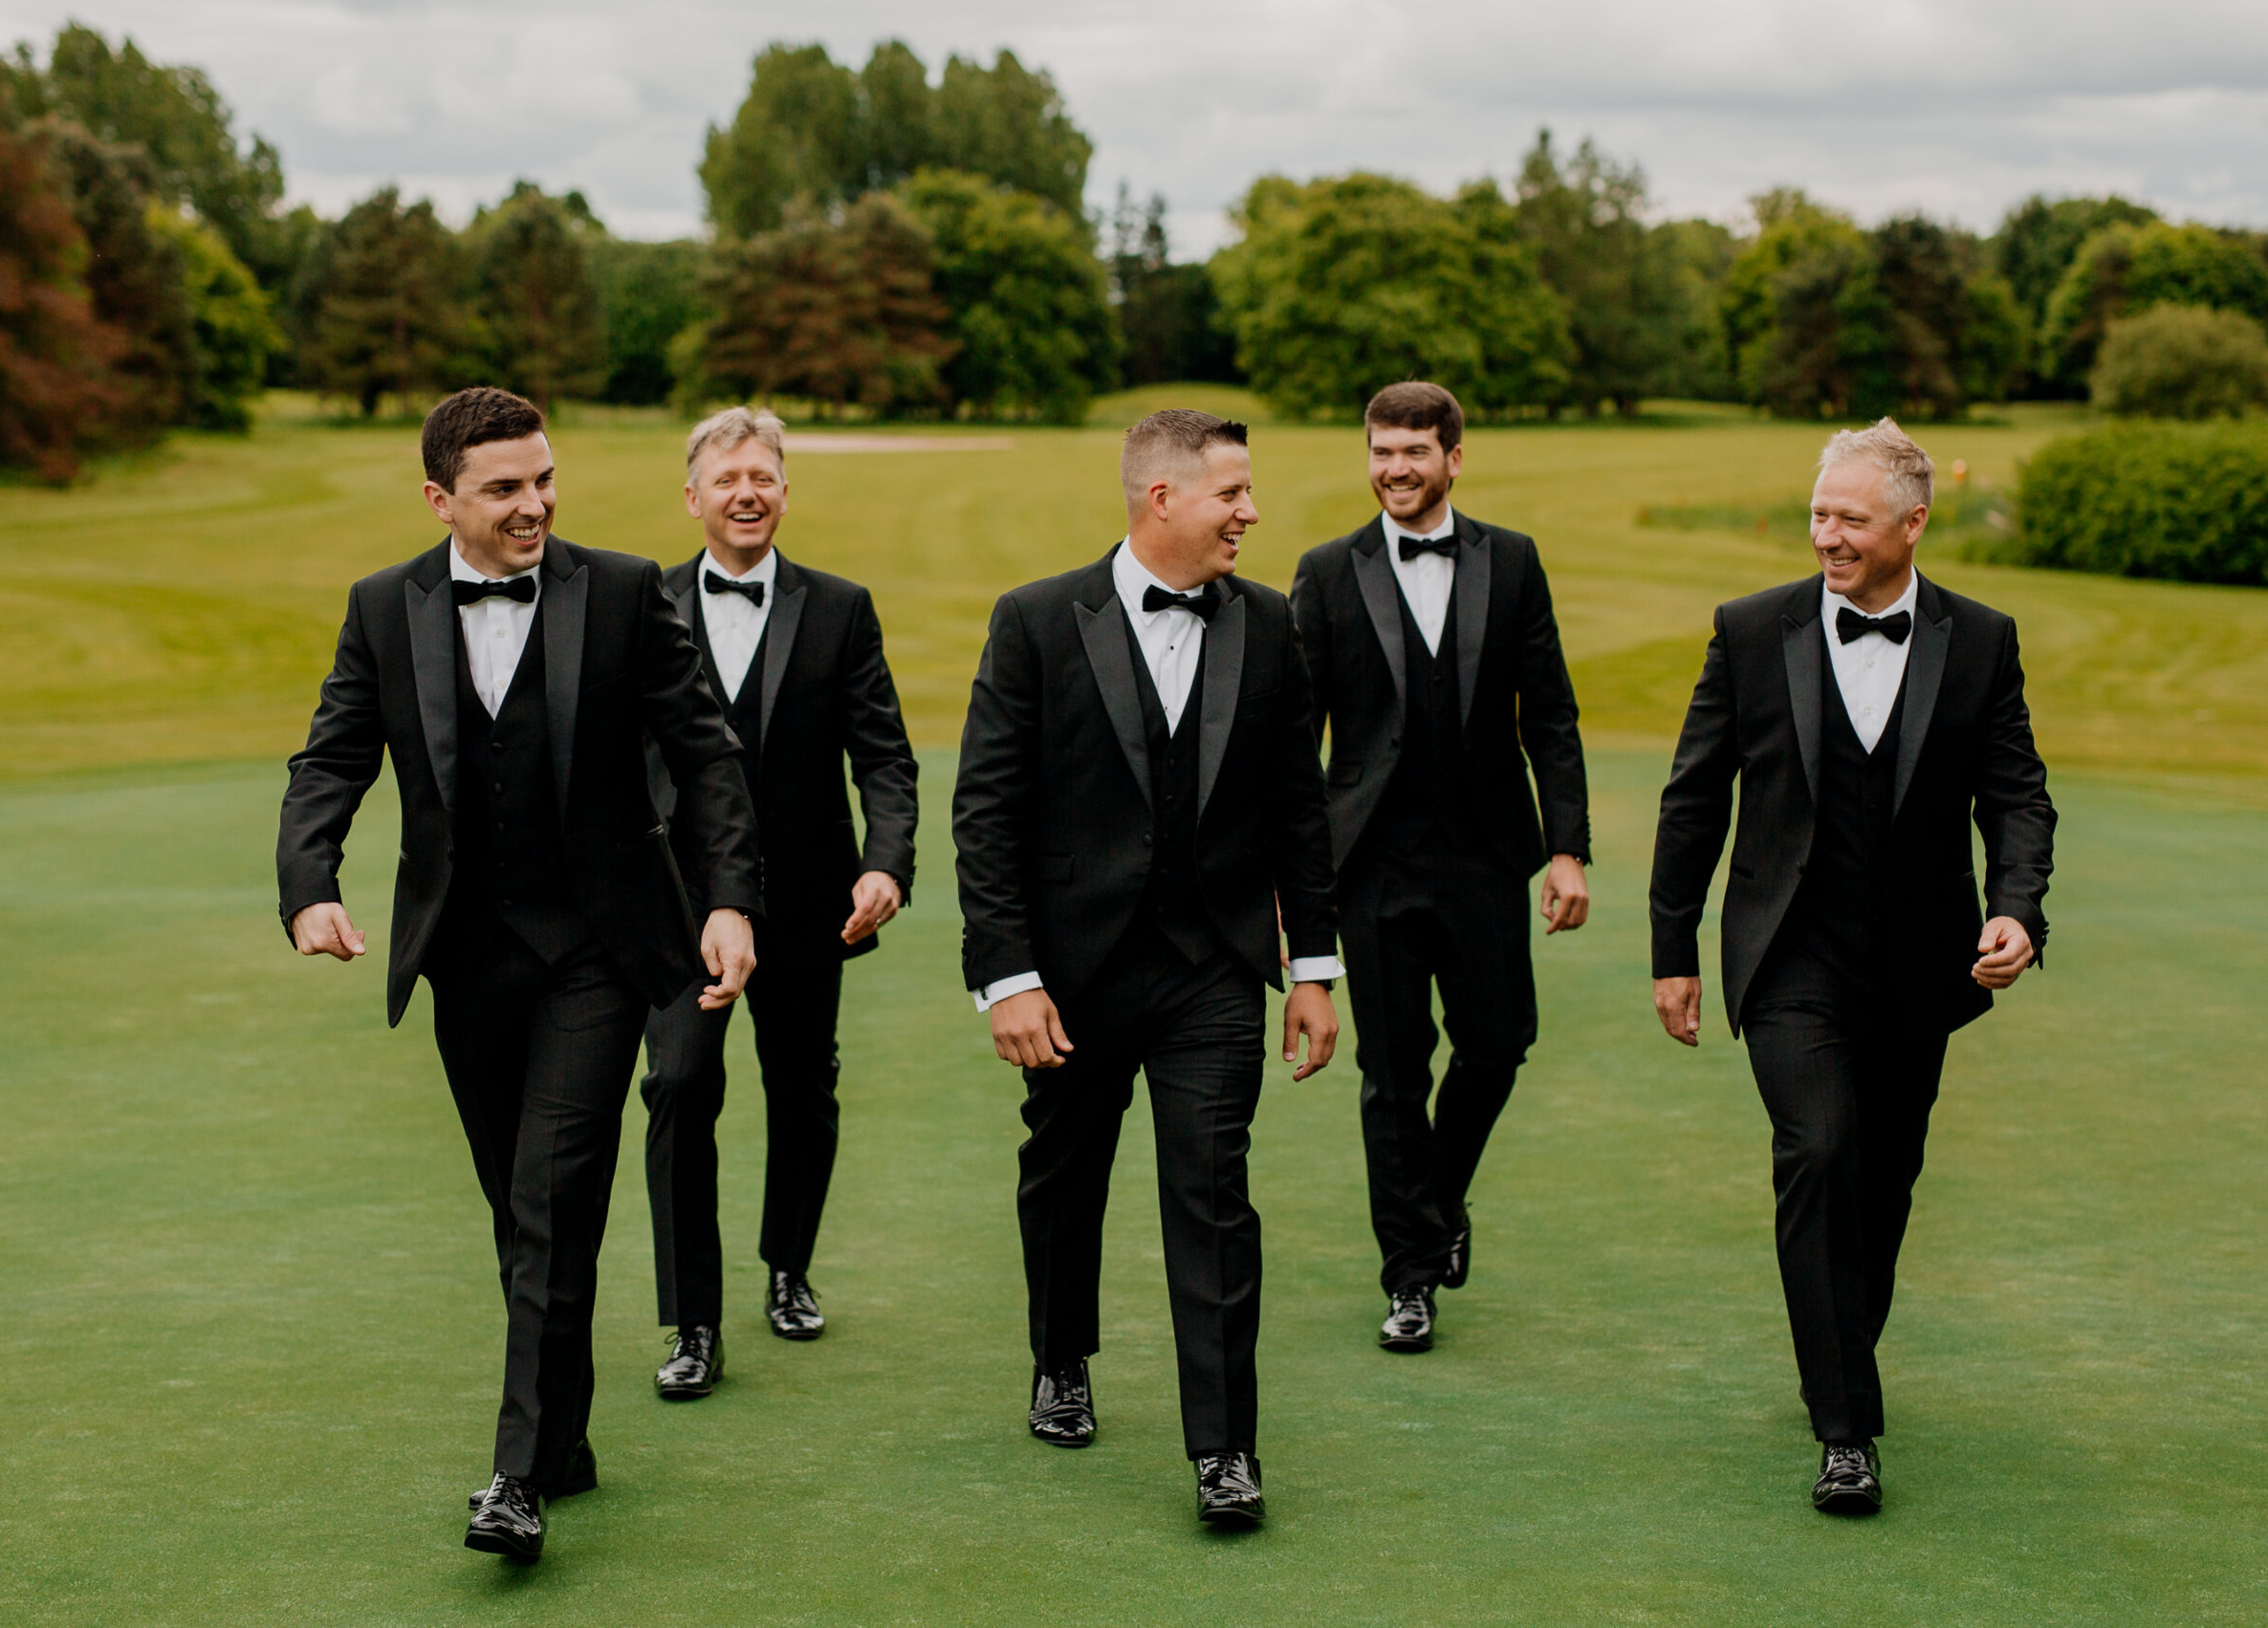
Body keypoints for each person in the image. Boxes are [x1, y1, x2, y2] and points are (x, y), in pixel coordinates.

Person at [276, 387, 761, 1561]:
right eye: (505, 488)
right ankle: (567, 1436)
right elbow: (331, 756)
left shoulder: (627, 591)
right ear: (441, 498)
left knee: (549, 1200)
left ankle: (514, 1479)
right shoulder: (384, 609)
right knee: (519, 1208)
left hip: (600, 953)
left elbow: (705, 755)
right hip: (465, 960)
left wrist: (732, 899)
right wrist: (310, 884)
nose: (534, 503)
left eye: (544, 479)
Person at [1647, 418, 2056, 1515]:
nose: (1826, 534)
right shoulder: (1750, 630)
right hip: (1788, 956)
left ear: (1912, 525)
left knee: (1883, 1180)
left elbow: (2014, 794)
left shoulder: (1978, 639)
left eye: (1850, 518)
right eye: (1818, 513)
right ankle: (1845, 1432)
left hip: (1924, 967)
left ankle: (1836, 1344)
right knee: (1818, 1151)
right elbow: (1694, 797)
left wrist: (2017, 909)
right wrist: (1671, 950)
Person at [951, 409, 1342, 1527]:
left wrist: (1311, 965)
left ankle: (1224, 1447)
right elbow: (986, 813)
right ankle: (1060, 1356)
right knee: (1064, 1177)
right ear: (1162, 498)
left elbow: (1295, 813)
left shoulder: (1269, 624)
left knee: (1214, 1194)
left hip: (1213, 969)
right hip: (1070, 976)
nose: (1252, 514)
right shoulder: (1033, 621)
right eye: (1234, 494)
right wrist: (1008, 977)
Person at [1289, 381, 1591, 1353]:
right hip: (1368, 863)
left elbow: (1548, 713)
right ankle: (1409, 1276)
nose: (1394, 469)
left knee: (1498, 1043)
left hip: (1486, 853)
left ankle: (1438, 1200)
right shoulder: (1327, 572)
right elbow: (1297, 736)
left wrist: (1566, 846)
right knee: (1391, 1072)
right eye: (1380, 451)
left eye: (1414, 451)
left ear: (1454, 458)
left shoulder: (1512, 561)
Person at [637, 408, 918, 1399]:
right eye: (727, 478)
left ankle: (787, 1265)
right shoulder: (647, 603)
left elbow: (883, 755)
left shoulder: (840, 609)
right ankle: (693, 1321)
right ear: (693, 496)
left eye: (763, 475)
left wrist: (886, 861)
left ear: (785, 491)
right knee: (679, 1088)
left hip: (810, 905)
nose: (747, 492)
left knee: (803, 1090)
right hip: (677, 910)